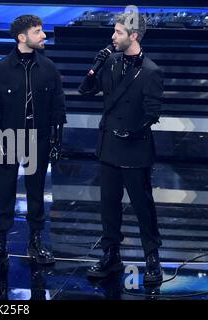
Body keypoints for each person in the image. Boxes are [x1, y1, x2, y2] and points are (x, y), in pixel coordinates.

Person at [78, 12, 164, 283]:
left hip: (135, 148)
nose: (112, 36)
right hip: (110, 147)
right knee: (108, 205)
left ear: (133, 36)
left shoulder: (150, 71)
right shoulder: (110, 62)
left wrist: (134, 130)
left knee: (142, 206)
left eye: (118, 32)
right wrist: (95, 66)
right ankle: (111, 254)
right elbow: (86, 90)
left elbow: (153, 112)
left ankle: (152, 257)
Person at [0, 14, 66, 272]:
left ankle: (36, 241)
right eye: (38, 31)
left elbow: (57, 106)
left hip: (39, 138)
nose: (43, 35)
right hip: (9, 137)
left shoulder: (49, 68)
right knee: (4, 192)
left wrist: (56, 139)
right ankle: (0, 246)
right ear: (22, 37)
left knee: (36, 191)